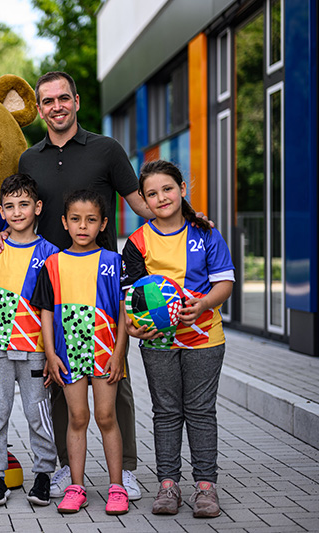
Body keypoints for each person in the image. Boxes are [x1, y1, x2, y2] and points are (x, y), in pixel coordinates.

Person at [0, 71, 150, 500]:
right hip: (51, 286)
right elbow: (20, 207)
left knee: (117, 384)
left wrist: (187, 219)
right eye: (47, 101)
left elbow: (141, 204)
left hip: (102, 286)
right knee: (55, 379)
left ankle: (126, 470)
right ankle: (65, 468)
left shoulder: (106, 150)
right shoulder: (30, 159)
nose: (56, 106)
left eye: (63, 98)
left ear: (76, 102)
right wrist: (0, 234)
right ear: (39, 108)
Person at [122, 160, 234, 518]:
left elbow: (225, 284)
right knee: (166, 412)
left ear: (182, 189)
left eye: (167, 189)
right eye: (152, 193)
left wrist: (202, 304)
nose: (161, 197)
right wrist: (133, 326)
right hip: (158, 342)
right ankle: (168, 485)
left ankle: (205, 487)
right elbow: (132, 299)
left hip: (205, 338)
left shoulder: (205, 233)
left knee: (200, 412)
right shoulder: (137, 243)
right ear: (143, 200)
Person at [31, 189, 129, 515]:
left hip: (104, 354)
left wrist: (118, 354)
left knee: (105, 416)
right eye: (75, 219)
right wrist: (50, 353)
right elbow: (45, 312)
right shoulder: (53, 264)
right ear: (65, 222)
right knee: (77, 418)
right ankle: (76, 487)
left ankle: (117, 487)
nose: (82, 226)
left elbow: (124, 314)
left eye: (90, 220)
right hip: (68, 354)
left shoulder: (115, 264)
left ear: (103, 224)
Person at [0, 174, 60, 507]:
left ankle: (43, 475)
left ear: (37, 207)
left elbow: (55, 310)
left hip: (37, 350)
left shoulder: (52, 254)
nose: (17, 211)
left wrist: (53, 354)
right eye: (10, 206)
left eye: (24, 204)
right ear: (1, 210)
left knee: (39, 413)